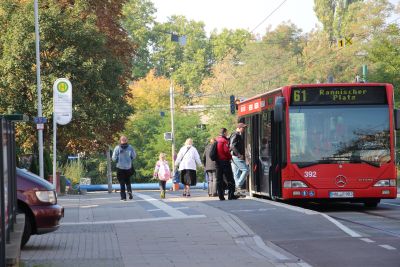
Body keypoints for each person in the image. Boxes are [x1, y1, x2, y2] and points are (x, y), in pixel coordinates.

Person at [112, 136, 136, 201]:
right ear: (126, 140)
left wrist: (118, 160)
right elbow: (134, 156)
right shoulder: (130, 147)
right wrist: (129, 159)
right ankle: (129, 192)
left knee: (122, 183)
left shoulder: (117, 148)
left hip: (120, 167)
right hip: (128, 167)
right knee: (128, 181)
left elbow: (114, 158)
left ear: (120, 140)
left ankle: (123, 197)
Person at [216, 128, 237, 201]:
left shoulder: (216, 140)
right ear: (224, 132)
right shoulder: (224, 141)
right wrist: (230, 156)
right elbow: (226, 151)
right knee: (230, 179)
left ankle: (221, 196)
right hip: (225, 161)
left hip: (217, 163)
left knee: (219, 179)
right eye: (226, 132)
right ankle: (231, 195)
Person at [230, 123, 249, 191]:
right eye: (243, 128)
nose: (244, 129)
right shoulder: (236, 134)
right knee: (246, 170)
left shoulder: (236, 134)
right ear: (239, 128)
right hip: (236, 156)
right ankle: (238, 185)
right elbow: (232, 146)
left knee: (236, 174)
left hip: (233, 156)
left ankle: (237, 190)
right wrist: (239, 155)